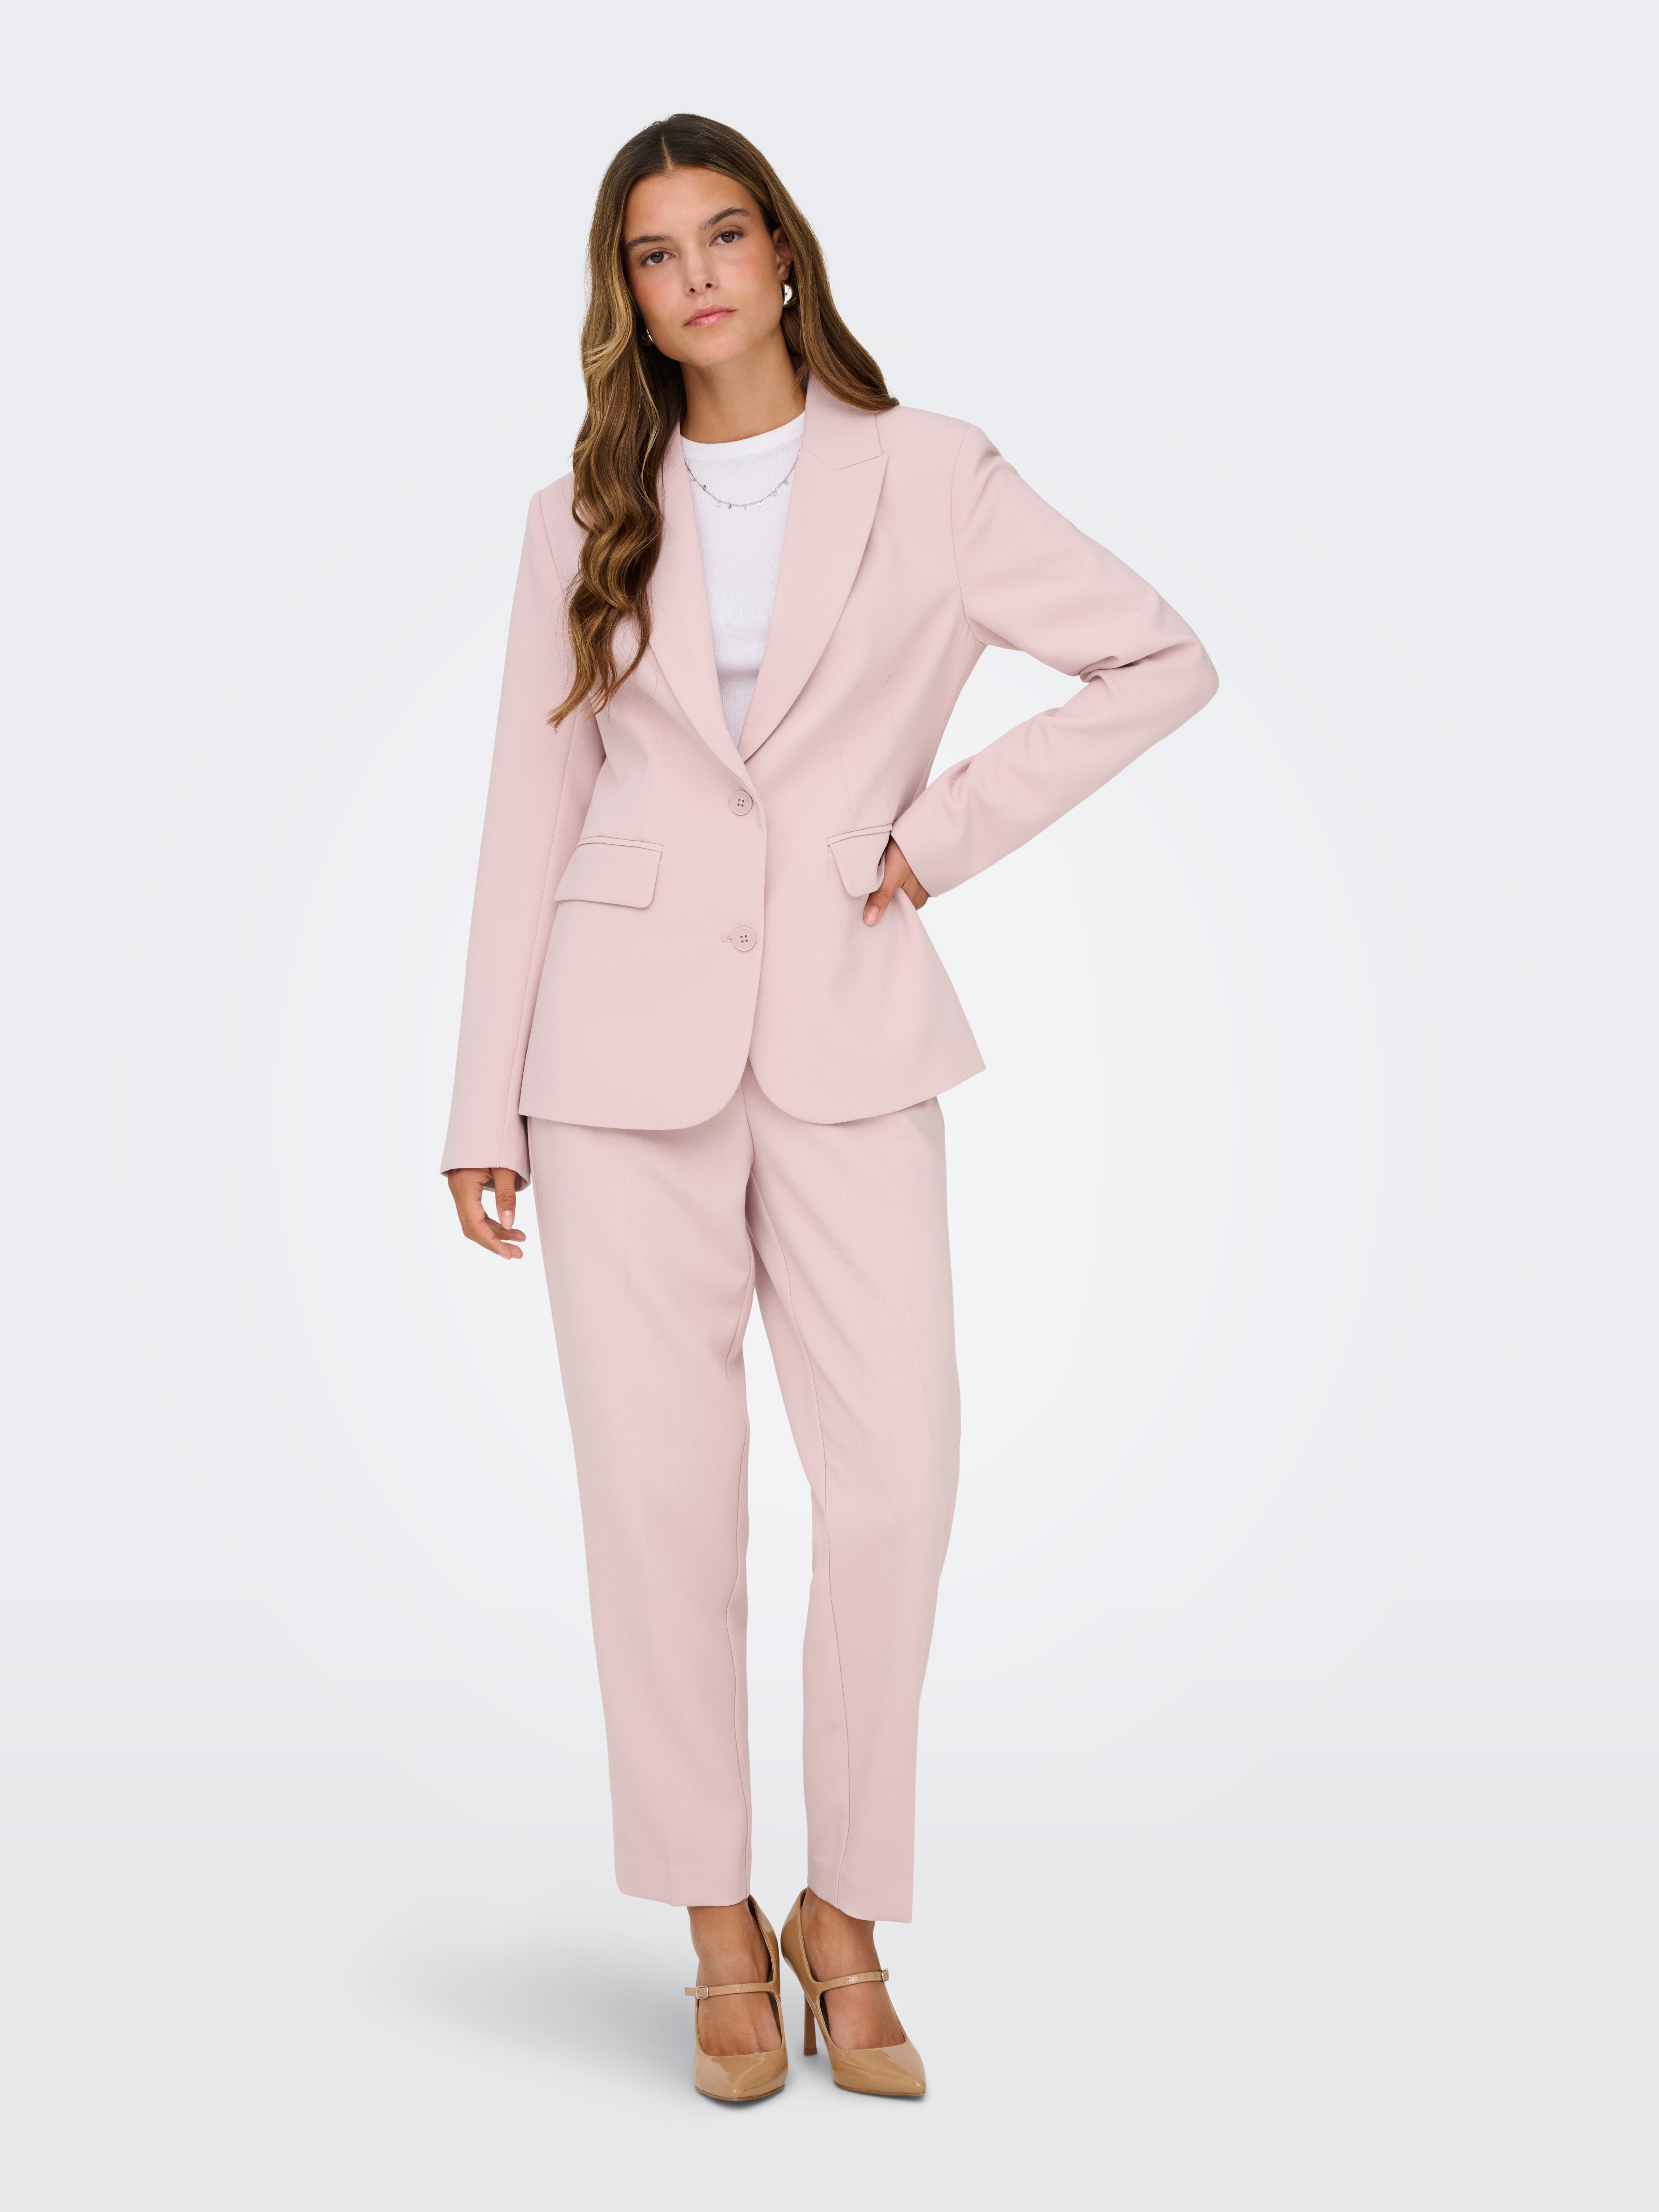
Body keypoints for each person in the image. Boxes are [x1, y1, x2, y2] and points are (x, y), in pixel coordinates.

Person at [442, 112, 1218, 2102]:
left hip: (853, 1029)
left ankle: (843, 1908)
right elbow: (534, 800)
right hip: (613, 1060)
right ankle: (716, 1918)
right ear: (627, 296)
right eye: (654, 253)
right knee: (659, 1501)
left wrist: (932, 837)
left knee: (893, 1484)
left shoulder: (929, 472)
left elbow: (1156, 658)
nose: (696, 275)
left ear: (786, 254)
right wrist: (480, 1100)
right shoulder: (578, 512)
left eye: (725, 234)